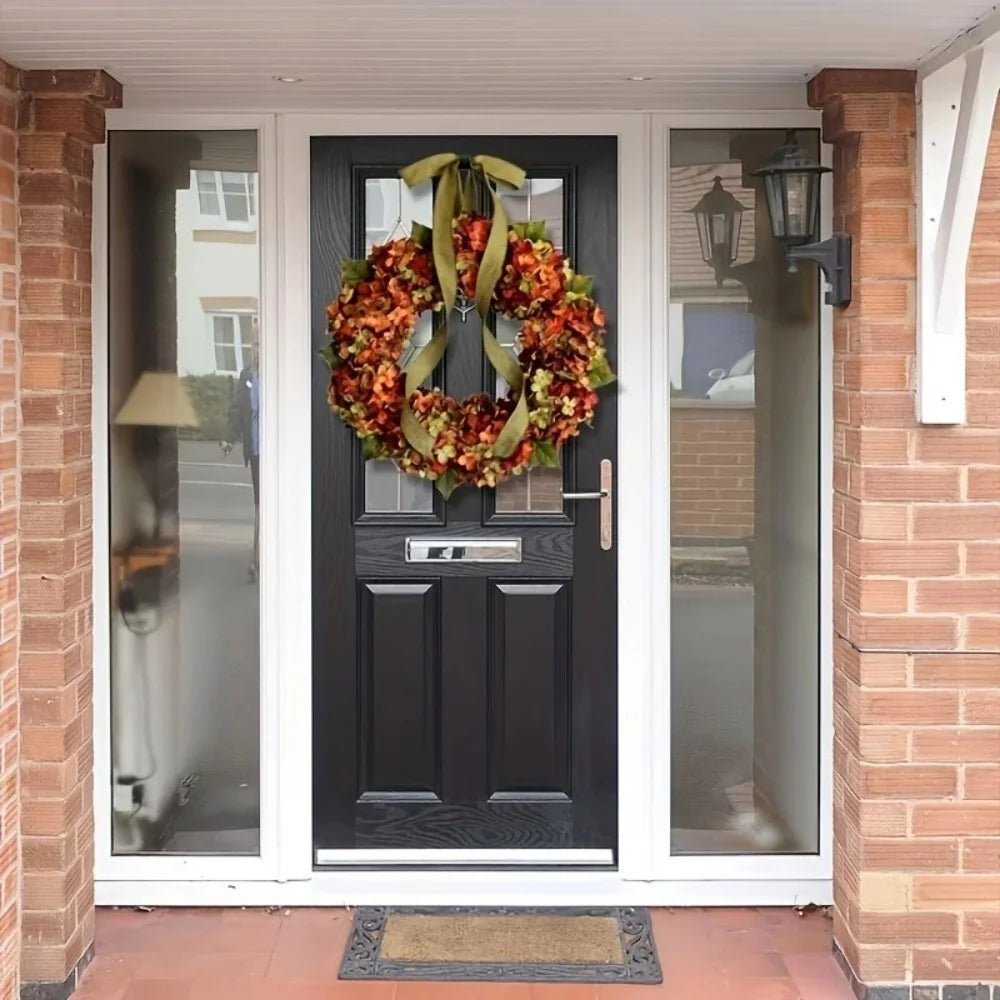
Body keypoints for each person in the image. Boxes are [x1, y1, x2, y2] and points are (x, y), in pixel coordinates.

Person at [221, 324, 260, 582]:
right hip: (258, 453)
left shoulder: (281, 373)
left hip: (281, 454)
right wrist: (228, 438)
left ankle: (261, 560)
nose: (256, 350)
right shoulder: (247, 375)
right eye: (254, 345)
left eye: (259, 344)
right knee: (261, 506)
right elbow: (236, 410)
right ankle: (256, 562)